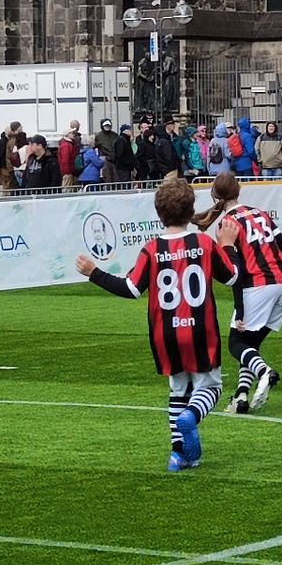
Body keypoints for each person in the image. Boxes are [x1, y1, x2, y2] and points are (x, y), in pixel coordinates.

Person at [76, 179, 240, 472]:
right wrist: (227, 245)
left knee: (178, 391)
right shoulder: (203, 243)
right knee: (210, 387)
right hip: (200, 331)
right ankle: (192, 415)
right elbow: (232, 277)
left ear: (159, 213)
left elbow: (131, 288)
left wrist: (94, 272)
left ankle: (179, 455)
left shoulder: (151, 249)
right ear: (191, 210)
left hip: (165, 334)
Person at [193, 172, 282, 414]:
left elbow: (236, 270)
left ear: (215, 195)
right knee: (251, 345)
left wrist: (240, 309)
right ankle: (241, 396)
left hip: (258, 286)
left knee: (236, 343)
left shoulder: (226, 225)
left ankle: (265, 372)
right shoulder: (260, 213)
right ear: (238, 190)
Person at [58, 122, 81, 191]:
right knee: (67, 190)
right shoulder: (67, 145)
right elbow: (65, 160)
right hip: (67, 172)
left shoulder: (66, 144)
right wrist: (68, 172)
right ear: (67, 135)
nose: (74, 134)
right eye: (72, 133)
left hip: (68, 171)